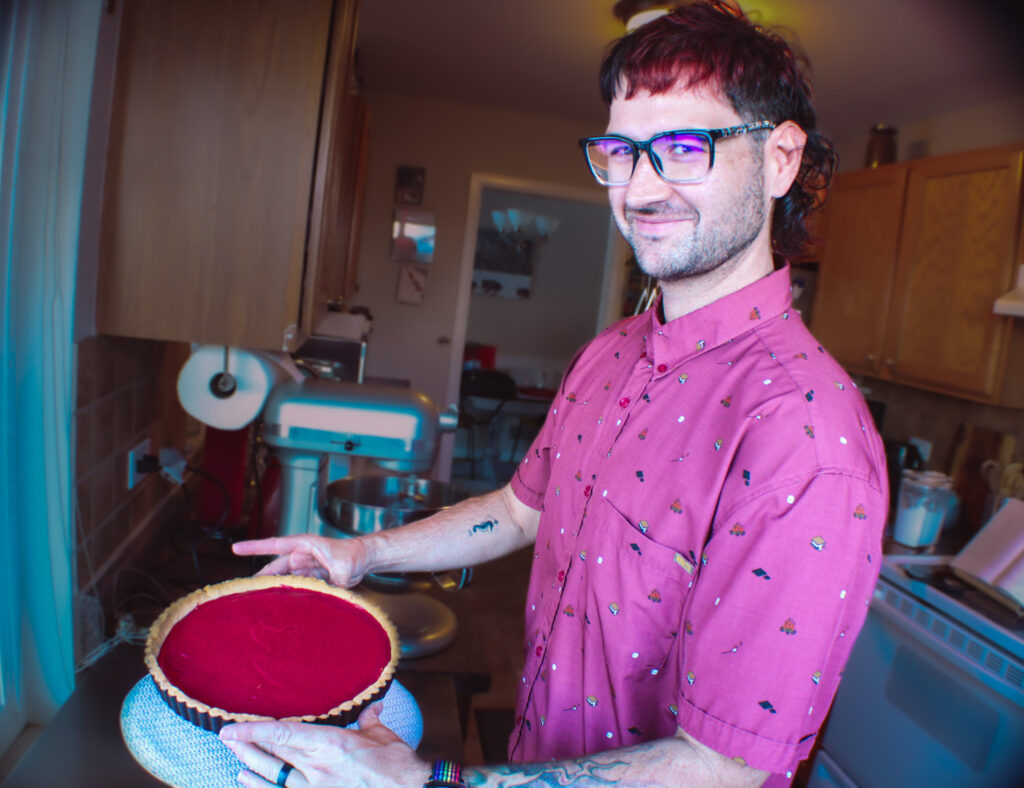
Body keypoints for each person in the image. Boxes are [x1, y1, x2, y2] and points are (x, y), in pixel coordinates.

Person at [219, 3, 887, 786]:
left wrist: (426, 783)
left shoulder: (807, 438)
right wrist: (362, 552)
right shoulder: (610, 355)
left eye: (681, 148)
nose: (640, 189)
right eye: (621, 151)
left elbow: (720, 770)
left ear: (778, 159)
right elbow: (518, 509)